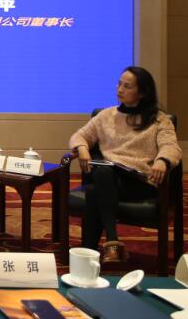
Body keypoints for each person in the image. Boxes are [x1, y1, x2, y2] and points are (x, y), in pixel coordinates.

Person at [69, 65, 181, 263]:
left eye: (127, 86)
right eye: (119, 84)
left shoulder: (158, 120)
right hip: (111, 180)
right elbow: (80, 136)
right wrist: (83, 148)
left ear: (142, 92)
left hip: (140, 182)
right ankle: (112, 244)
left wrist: (162, 161)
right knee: (101, 176)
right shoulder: (106, 116)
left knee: (97, 185)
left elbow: (171, 147)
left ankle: (93, 252)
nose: (120, 89)